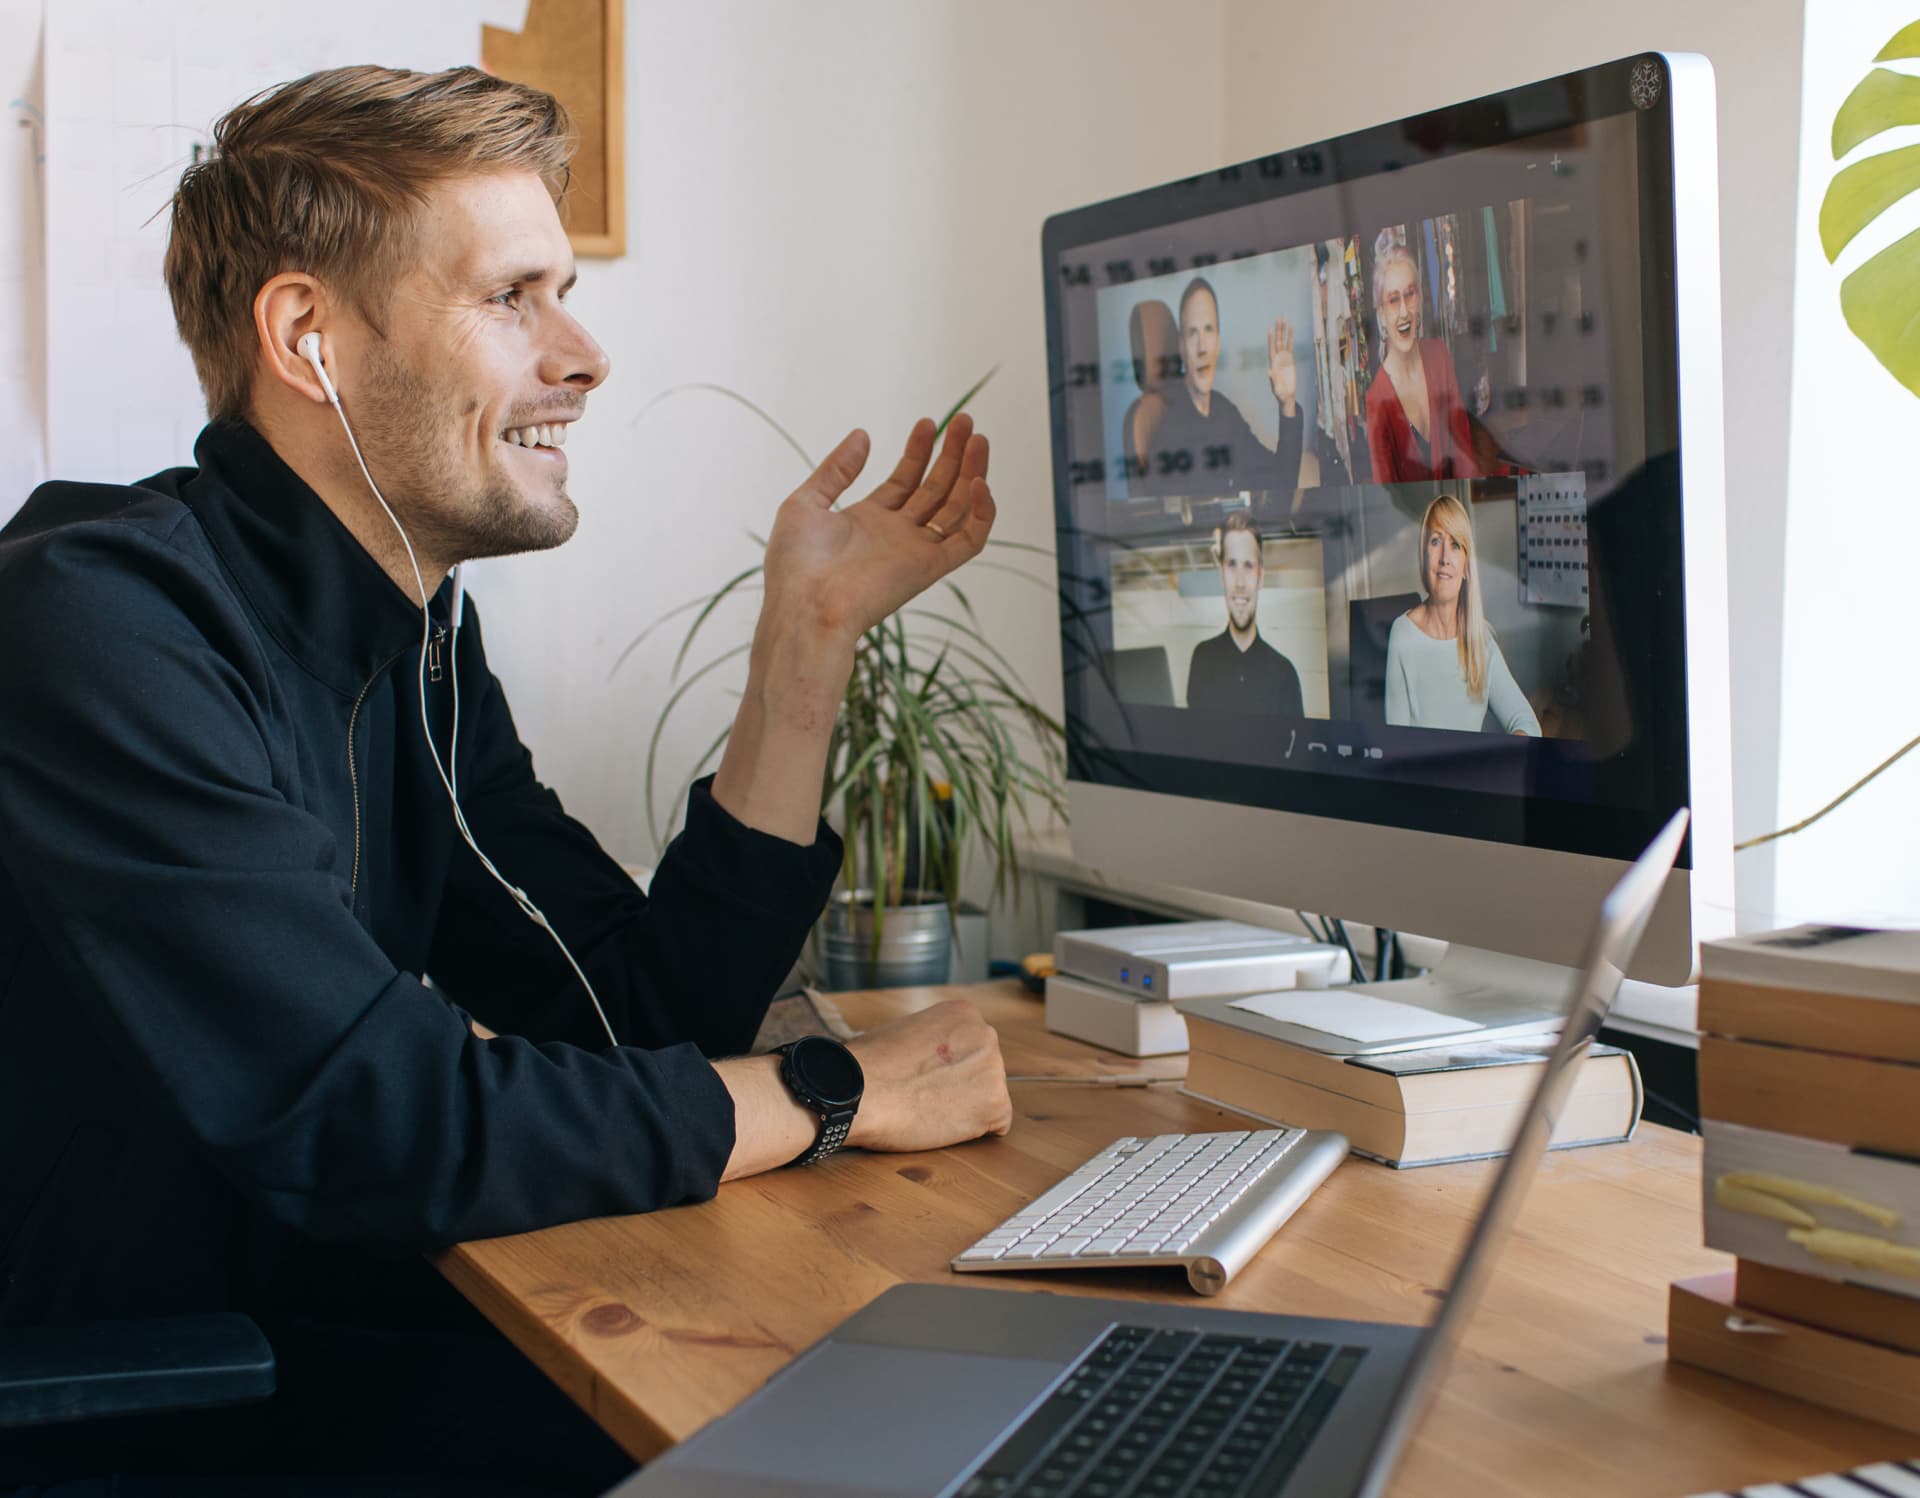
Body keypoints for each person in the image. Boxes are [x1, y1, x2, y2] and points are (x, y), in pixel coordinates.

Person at [0, 65, 1012, 1495]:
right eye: (513, 296)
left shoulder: (409, 640)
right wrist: (837, 1091)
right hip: (131, 1404)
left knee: (888, 1409)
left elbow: (634, 1016)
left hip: (303, 1321)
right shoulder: (98, 628)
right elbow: (375, 1116)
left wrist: (807, 645)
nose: (585, 353)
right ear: (310, 337)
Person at [1129, 277, 1305, 505]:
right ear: (1181, 347)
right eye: (1193, 333)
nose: (1202, 347)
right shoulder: (1169, 440)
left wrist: (1287, 403)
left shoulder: (1224, 410)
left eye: (1208, 330)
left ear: (1218, 341)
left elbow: (1281, 480)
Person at [1384, 494, 1541, 735]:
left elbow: (1528, 725)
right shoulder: (1402, 634)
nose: (1445, 558)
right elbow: (1395, 744)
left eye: (1456, 545)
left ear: (1466, 566)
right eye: (1436, 541)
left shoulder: (1481, 638)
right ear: (1424, 556)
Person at [1363, 243, 1482, 484]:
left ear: (1420, 297)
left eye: (1410, 294)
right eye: (1393, 300)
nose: (1404, 311)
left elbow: (1462, 447)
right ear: (1382, 315)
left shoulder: (1439, 354)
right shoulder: (1377, 400)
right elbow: (1389, 495)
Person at [1184, 512, 1305, 717]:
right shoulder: (1202, 660)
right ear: (1221, 575)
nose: (1240, 583)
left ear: (1260, 577)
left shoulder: (1285, 675)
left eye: (1248, 566)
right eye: (1232, 565)